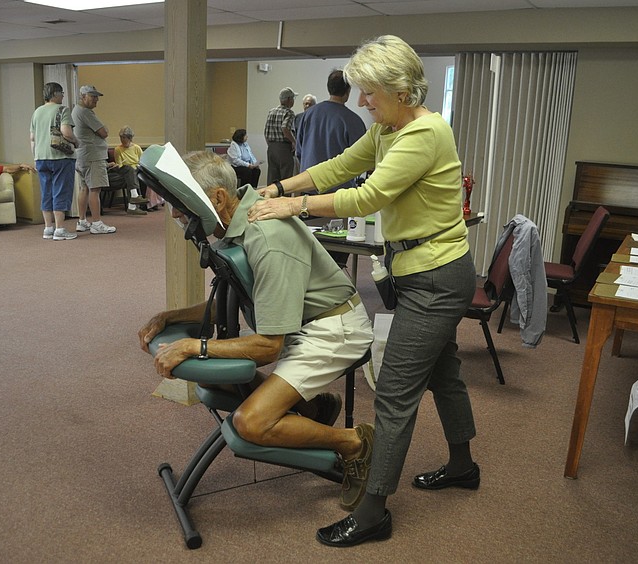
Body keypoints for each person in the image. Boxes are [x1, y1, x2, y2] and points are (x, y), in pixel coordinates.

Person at [247, 35, 478, 548]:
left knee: (394, 391)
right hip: (420, 269)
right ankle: (464, 465)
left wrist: (298, 208)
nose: (364, 101)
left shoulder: (425, 132)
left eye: (371, 91)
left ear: (398, 89)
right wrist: (282, 188)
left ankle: (374, 511)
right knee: (444, 372)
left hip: (438, 277)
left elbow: (369, 194)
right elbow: (339, 168)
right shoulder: (388, 129)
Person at [138, 150, 376, 513]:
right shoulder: (234, 224)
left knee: (252, 423)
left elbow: (268, 346)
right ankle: (309, 406)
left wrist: (194, 346)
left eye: (182, 204)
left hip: (333, 327)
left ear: (217, 198)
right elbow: (233, 299)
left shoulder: (266, 237)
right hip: (298, 322)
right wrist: (171, 317)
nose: (175, 213)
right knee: (218, 382)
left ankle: (354, 444)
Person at [295, 70, 367, 191]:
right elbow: (361, 159)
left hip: (309, 186)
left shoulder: (307, 115)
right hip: (338, 192)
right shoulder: (353, 121)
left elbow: (299, 151)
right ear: (347, 91)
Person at [29, 82, 79, 240]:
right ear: (56, 94)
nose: (63, 96)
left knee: (46, 192)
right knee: (61, 191)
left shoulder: (37, 112)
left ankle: (48, 228)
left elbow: (32, 138)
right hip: (60, 157)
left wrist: (36, 156)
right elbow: (67, 133)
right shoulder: (62, 109)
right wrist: (77, 142)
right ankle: (60, 229)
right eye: (62, 93)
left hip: (40, 157)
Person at [72, 85, 116, 234]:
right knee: (95, 189)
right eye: (92, 96)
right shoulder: (85, 112)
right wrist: (105, 129)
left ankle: (82, 221)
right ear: (83, 97)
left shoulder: (76, 111)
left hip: (82, 156)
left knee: (83, 188)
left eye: (97, 97)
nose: (96, 100)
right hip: (92, 156)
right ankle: (97, 223)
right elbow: (104, 132)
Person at [112, 126, 162, 214]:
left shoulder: (136, 148)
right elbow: (119, 164)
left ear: (130, 138)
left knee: (146, 177)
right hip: (126, 170)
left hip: (137, 168)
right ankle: (137, 204)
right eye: (121, 138)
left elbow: (142, 160)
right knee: (132, 174)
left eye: (124, 138)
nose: (122, 140)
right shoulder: (117, 149)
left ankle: (149, 203)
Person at [263, 87, 298, 185]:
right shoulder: (289, 113)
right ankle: (284, 200)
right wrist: (294, 142)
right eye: (293, 99)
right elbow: (285, 128)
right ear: (288, 100)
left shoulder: (271, 111)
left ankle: (270, 198)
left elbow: (265, 131)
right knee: (285, 180)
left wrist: (270, 145)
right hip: (283, 148)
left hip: (271, 148)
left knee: (272, 178)